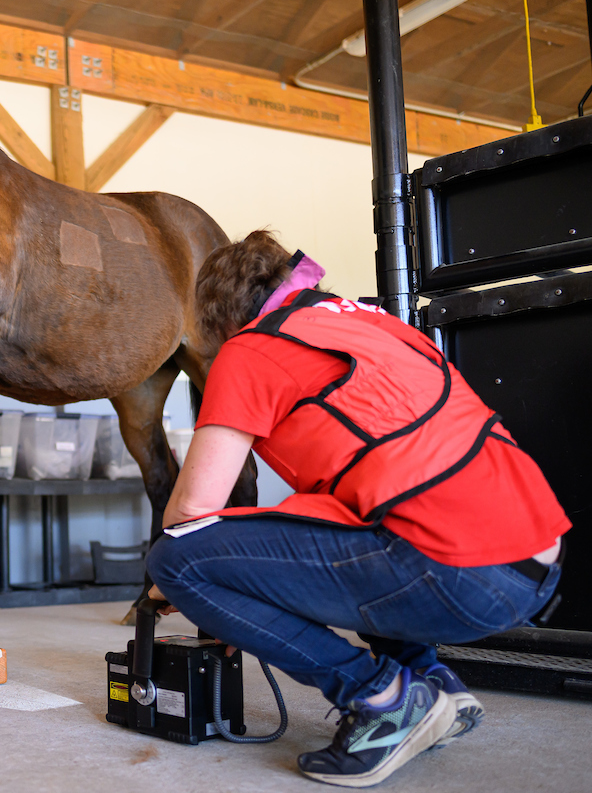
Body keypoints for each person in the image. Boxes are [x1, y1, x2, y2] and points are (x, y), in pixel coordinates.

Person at [147, 231, 568, 788]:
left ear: (219, 320)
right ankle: (434, 684)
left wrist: (202, 590)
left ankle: (382, 699)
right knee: (361, 521)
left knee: (177, 561)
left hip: (462, 572)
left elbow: (191, 513)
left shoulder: (251, 349)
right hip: (538, 561)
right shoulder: (376, 326)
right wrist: (253, 592)